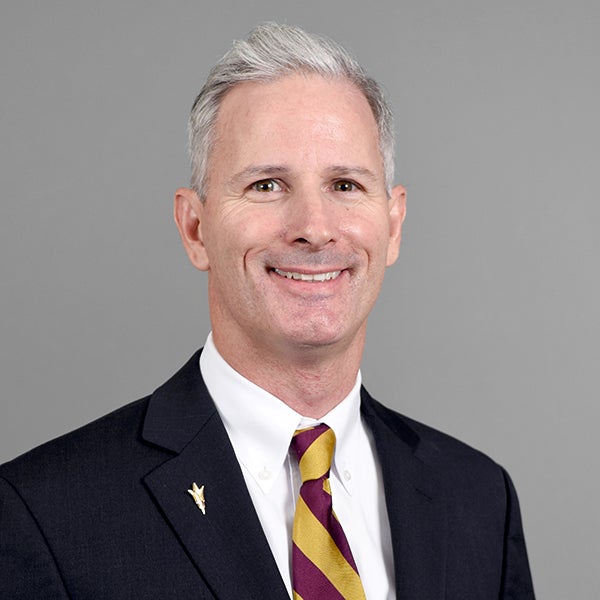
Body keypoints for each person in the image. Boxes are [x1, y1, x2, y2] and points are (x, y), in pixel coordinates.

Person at [0, 23, 535, 599]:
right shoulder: (45, 514)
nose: (313, 227)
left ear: (394, 223)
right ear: (195, 227)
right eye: (267, 185)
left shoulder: (479, 498)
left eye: (346, 185)